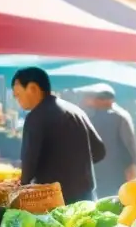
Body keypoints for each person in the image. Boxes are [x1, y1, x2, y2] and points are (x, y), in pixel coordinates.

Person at [13, 67, 105, 203]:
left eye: (18, 95)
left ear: (32, 88)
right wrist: (76, 166)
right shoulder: (76, 111)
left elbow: (29, 161)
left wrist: (21, 188)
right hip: (86, 193)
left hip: (55, 197)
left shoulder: (36, 116)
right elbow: (99, 151)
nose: (17, 100)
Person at [83, 84, 136, 199]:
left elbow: (129, 146)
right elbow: (130, 146)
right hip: (106, 169)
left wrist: (132, 166)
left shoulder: (119, 117)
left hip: (111, 169)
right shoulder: (121, 116)